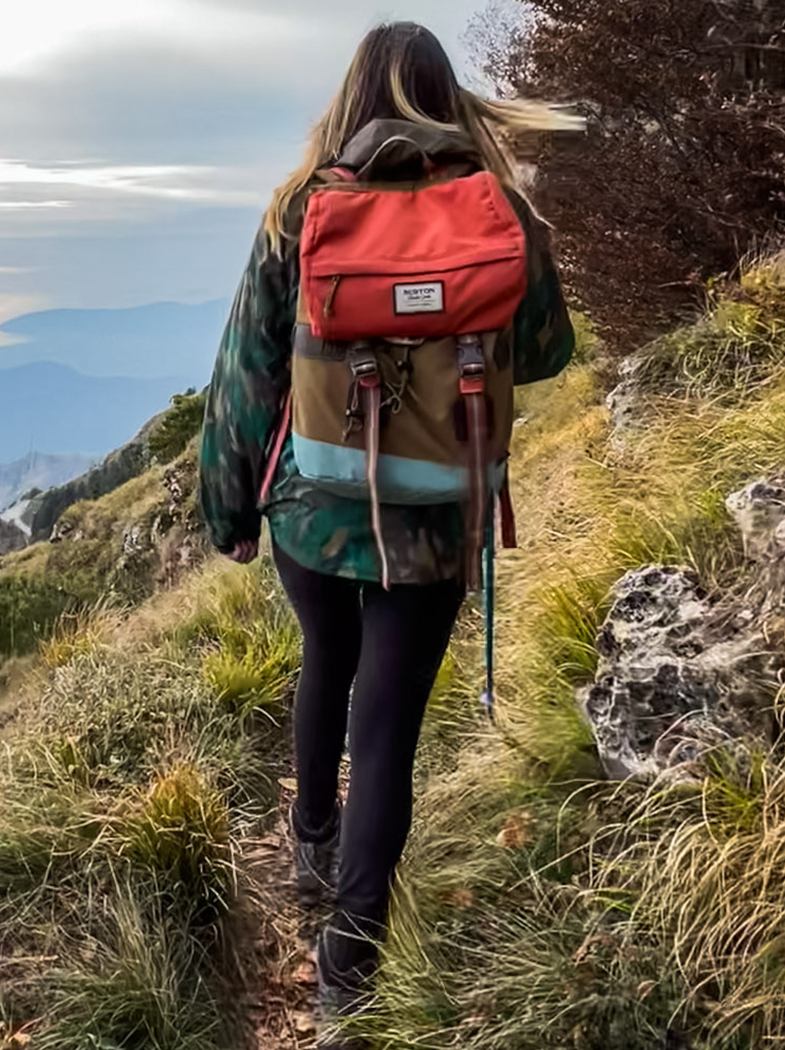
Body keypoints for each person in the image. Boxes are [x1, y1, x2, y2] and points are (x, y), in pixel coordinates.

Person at [197, 20, 578, 1042]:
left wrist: (227, 512)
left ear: (350, 97)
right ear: (450, 101)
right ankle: (347, 969)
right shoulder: (499, 211)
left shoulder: (300, 210)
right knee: (390, 729)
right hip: (434, 513)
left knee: (326, 655)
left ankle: (310, 841)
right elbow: (546, 350)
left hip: (313, 509)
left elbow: (247, 378)